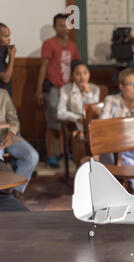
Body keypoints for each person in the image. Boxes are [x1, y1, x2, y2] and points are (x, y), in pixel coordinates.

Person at [35, 13, 81, 169]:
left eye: (67, 25)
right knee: (52, 122)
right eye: (61, 25)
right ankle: (51, 156)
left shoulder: (72, 45)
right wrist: (39, 90)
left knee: (66, 121)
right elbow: (43, 67)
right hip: (53, 88)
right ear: (55, 27)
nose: (64, 28)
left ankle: (63, 152)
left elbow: (77, 67)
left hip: (68, 89)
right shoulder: (49, 44)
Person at [57, 60, 100, 166]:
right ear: (72, 76)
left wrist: (88, 93)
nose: (82, 77)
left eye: (85, 73)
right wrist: (76, 118)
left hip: (93, 126)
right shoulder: (65, 89)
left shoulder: (95, 88)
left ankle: (97, 168)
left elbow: (94, 110)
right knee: (79, 138)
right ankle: (81, 169)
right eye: (78, 74)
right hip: (76, 126)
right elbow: (60, 112)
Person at [0, 89, 39, 199]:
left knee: (32, 156)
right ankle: (3, 194)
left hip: (7, 135)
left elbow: (14, 119)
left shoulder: (3, 94)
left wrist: (11, 133)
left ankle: (15, 191)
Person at [0, 23, 15, 97]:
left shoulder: (3, 49)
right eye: (6, 36)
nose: (9, 39)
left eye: (9, 35)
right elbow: (6, 78)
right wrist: (12, 56)